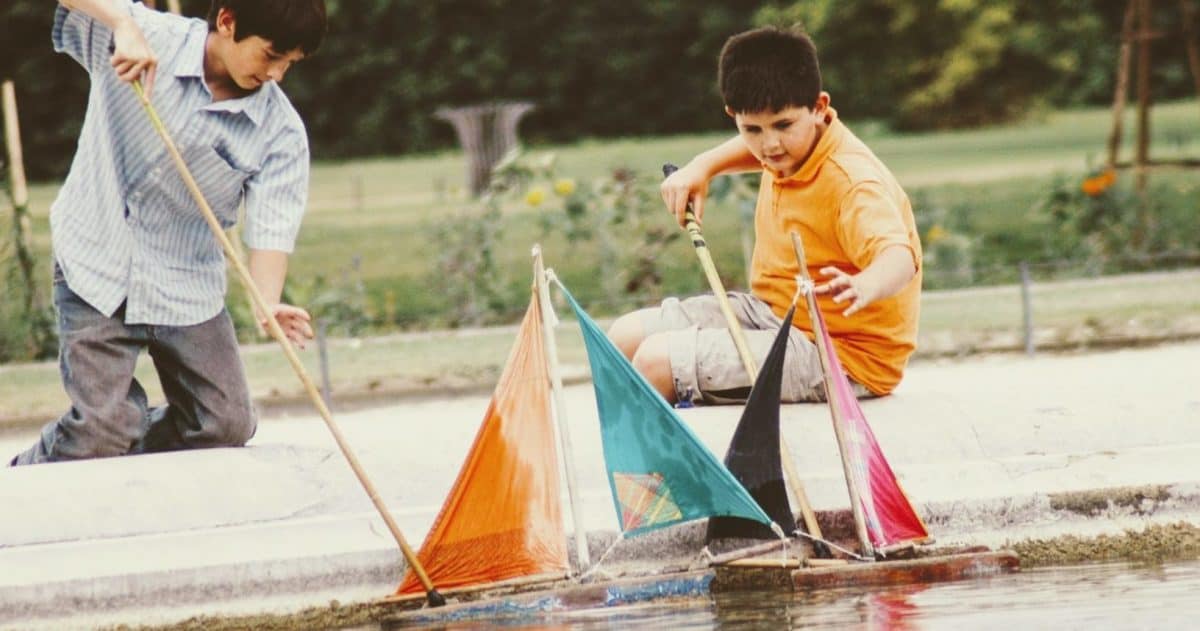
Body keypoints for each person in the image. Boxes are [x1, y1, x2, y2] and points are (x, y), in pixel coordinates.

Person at [9, 0, 326, 466]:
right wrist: (120, 22)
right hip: (96, 260)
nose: (277, 74)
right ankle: (27, 478)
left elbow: (273, 226)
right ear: (227, 21)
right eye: (270, 55)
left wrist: (268, 300)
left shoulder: (281, 133)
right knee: (102, 428)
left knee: (225, 423)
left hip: (184, 283)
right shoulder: (144, 36)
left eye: (290, 64)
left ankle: (119, 439)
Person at [608, 26, 922, 406]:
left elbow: (899, 258)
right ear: (733, 116)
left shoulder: (852, 183)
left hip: (839, 354)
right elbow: (761, 141)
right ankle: (631, 455)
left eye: (783, 125)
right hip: (774, 314)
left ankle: (659, 465)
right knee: (622, 339)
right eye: (752, 129)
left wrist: (867, 284)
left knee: (656, 363)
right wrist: (702, 167)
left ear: (819, 107)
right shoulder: (796, 146)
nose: (769, 145)